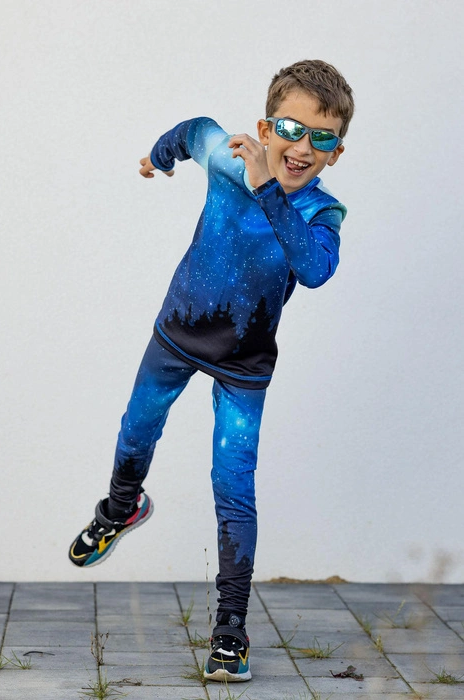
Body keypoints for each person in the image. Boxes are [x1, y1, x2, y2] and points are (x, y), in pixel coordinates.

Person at [69, 59, 354, 682]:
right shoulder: (228, 158)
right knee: (137, 427)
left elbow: (314, 270)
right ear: (265, 127)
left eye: (322, 138)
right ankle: (121, 507)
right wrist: (158, 157)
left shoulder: (321, 213)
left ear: (337, 152)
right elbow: (195, 129)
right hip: (177, 332)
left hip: (244, 365)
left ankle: (230, 629)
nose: (302, 147)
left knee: (233, 486)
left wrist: (269, 191)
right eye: (290, 129)